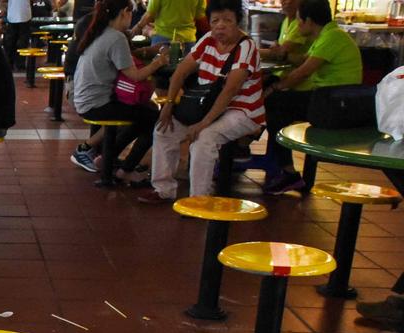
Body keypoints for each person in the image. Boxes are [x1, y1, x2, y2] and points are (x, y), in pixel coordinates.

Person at [140, 0, 263, 202]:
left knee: (204, 139)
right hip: (204, 104)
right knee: (164, 129)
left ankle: (199, 200)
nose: (220, 25)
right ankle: (163, 190)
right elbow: (180, 71)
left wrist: (203, 123)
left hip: (241, 111)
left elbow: (230, 90)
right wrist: (169, 105)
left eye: (227, 20)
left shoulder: (246, 47)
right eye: (215, 20)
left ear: (237, 22)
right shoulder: (207, 40)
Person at [261, 0, 362, 194]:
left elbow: (303, 72)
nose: (297, 27)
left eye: (299, 21)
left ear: (309, 21)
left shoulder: (333, 37)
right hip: (330, 99)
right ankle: (285, 169)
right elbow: (304, 60)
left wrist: (276, 87)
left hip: (335, 104)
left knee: (273, 103)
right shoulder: (328, 35)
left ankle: (287, 172)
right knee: (278, 109)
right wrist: (280, 56)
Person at [72, 0, 169, 184]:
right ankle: (125, 169)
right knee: (153, 118)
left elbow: (127, 60)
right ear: (125, 12)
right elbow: (135, 76)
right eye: (131, 13)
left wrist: (150, 53)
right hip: (97, 104)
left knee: (145, 111)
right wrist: (159, 62)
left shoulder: (101, 33)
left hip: (85, 100)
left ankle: (109, 159)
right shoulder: (116, 38)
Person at [136, 0, 204, 47]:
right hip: (188, 40)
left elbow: (150, 14)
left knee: (160, 67)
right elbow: (199, 15)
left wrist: (138, 27)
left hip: (162, 39)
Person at [3, 0, 33, 68]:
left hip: (13, 16)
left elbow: (3, 2)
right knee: (22, 42)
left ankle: (10, 63)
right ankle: (20, 64)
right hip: (24, 15)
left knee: (11, 42)